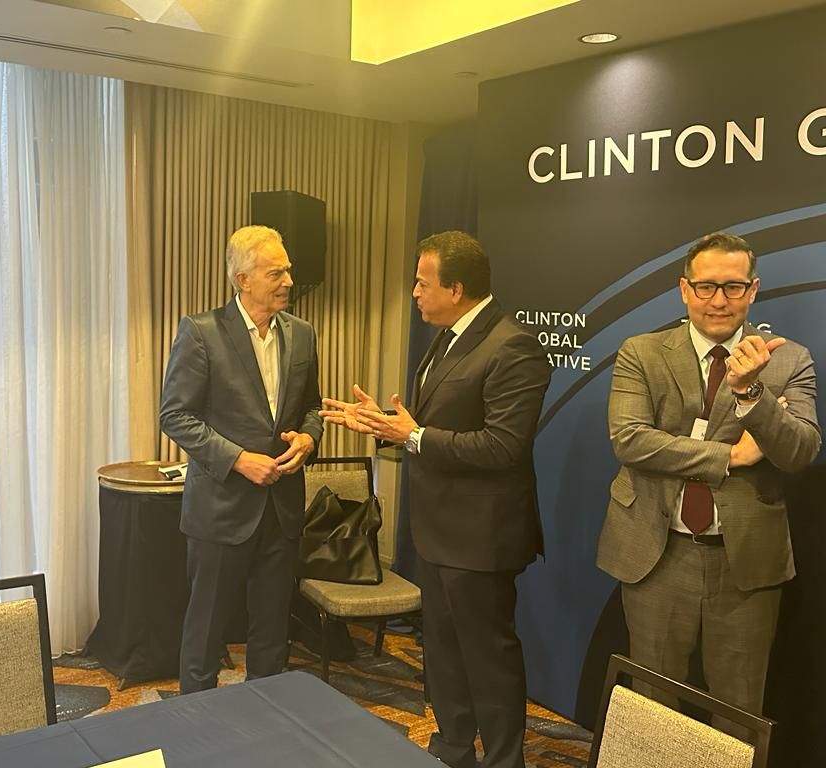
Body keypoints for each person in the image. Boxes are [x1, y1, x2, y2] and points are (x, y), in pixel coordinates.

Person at [321, 230, 551, 768]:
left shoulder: (512, 346)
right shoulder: (446, 338)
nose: (415, 293)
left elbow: (504, 446)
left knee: (487, 660)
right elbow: (429, 427)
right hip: (438, 531)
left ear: (456, 288)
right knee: (444, 653)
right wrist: (384, 426)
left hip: (481, 539)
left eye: (422, 283)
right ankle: (452, 749)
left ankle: (503, 761)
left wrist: (414, 435)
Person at [597, 231, 821, 717]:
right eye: (706, 287)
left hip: (745, 563)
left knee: (738, 711)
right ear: (685, 289)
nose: (719, 300)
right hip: (656, 555)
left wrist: (752, 394)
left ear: (753, 289)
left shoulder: (787, 359)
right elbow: (630, 439)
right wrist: (731, 457)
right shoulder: (642, 352)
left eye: (733, 287)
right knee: (652, 706)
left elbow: (799, 452)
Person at [159, 225, 323, 694]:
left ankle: (263, 723)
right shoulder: (201, 332)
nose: (288, 281)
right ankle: (195, 723)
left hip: (282, 509)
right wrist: (238, 460)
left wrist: (308, 438)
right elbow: (175, 416)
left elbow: (313, 407)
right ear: (242, 279)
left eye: (288, 270)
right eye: (276, 273)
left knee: (272, 632)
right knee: (205, 632)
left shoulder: (303, 335)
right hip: (221, 510)